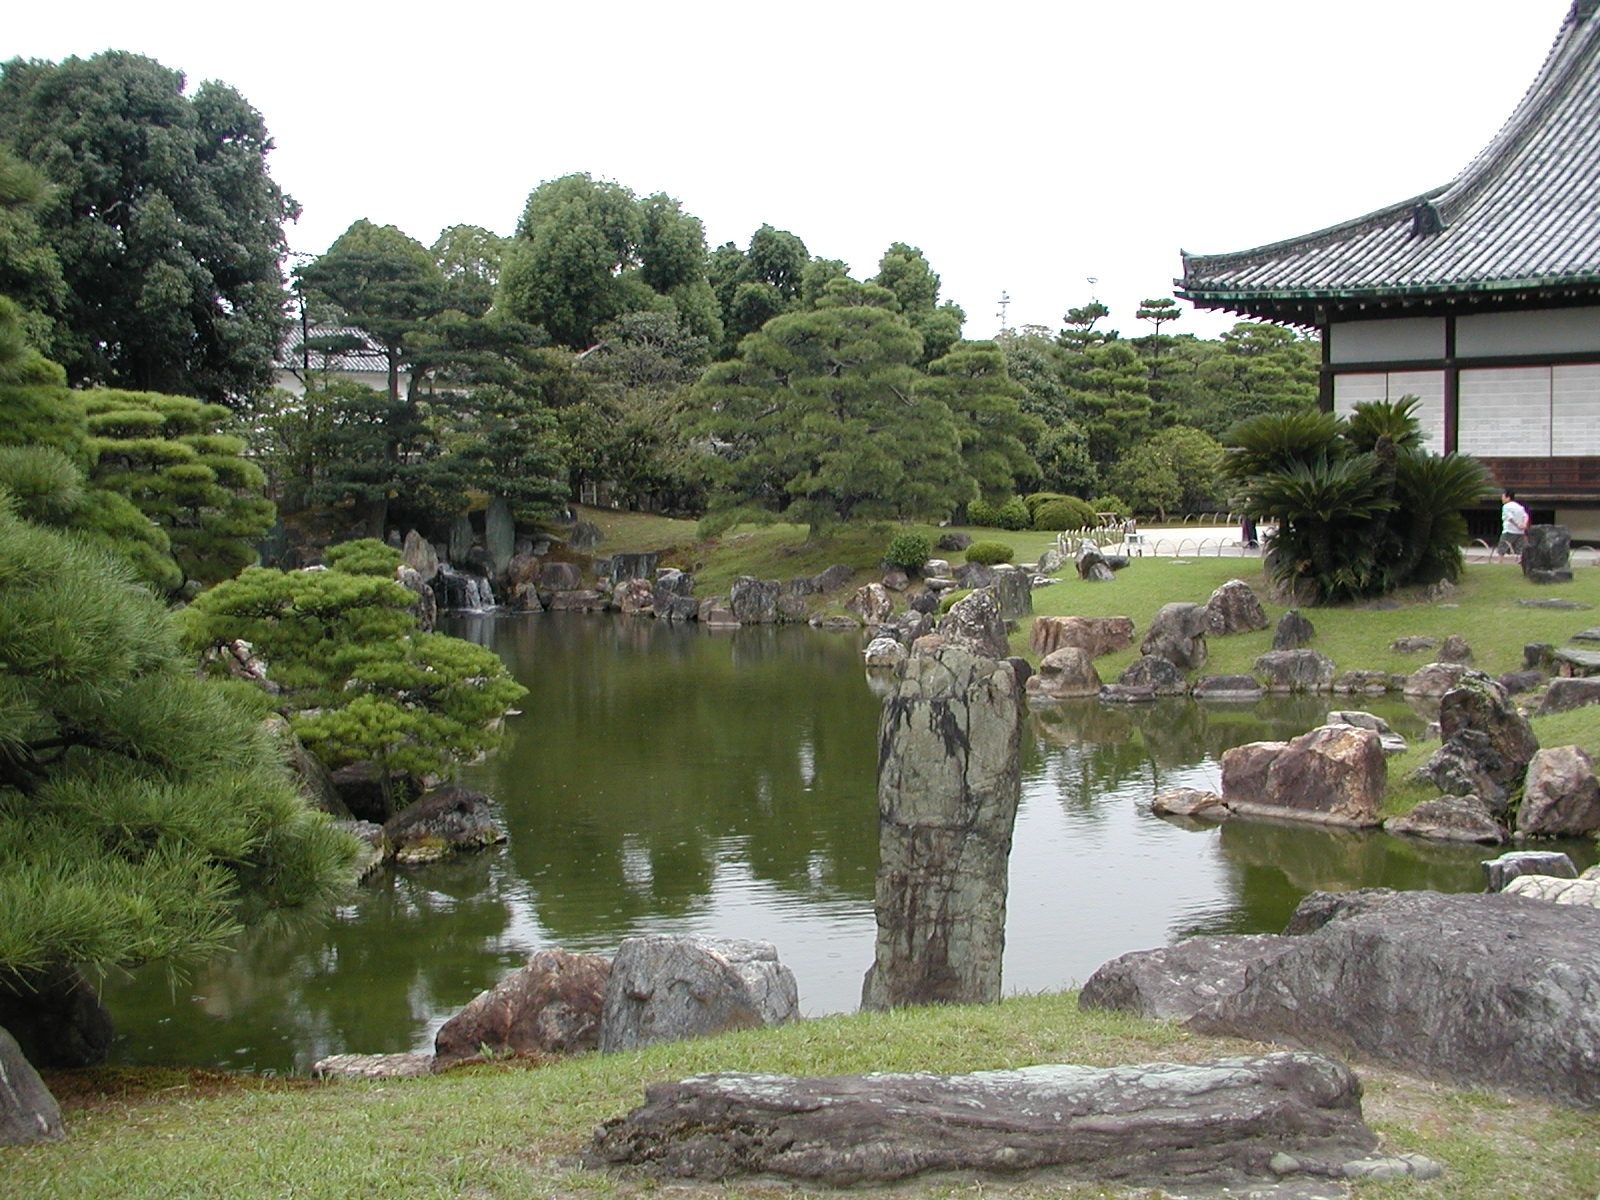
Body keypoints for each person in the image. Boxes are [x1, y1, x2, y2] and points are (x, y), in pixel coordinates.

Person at [1499, 490, 1530, 557]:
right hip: (1520, 532)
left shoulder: (1506, 506)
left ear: (1508, 498)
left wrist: (1518, 525)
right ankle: (1519, 563)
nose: (1502, 499)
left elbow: (1510, 518)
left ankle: (1500, 563)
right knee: (1520, 550)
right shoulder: (1519, 506)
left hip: (1509, 530)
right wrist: (1524, 524)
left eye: (1503, 497)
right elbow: (1526, 515)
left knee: (1502, 549)